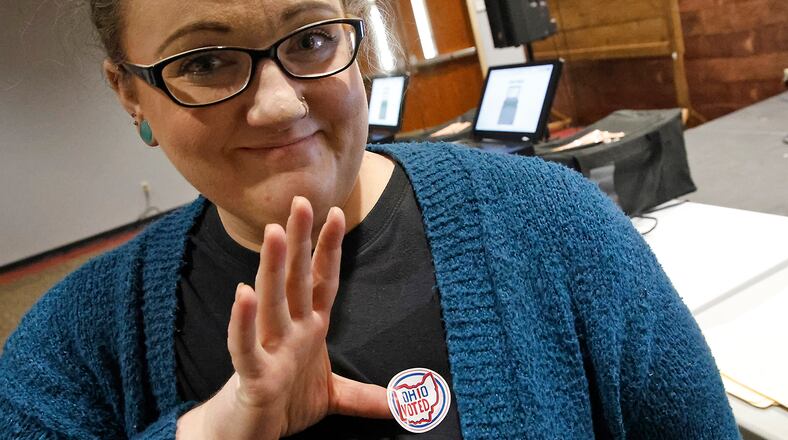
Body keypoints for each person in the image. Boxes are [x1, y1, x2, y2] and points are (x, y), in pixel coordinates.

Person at [0, 0, 740, 438]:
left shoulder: (553, 226)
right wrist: (209, 431)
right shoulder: (79, 339)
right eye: (204, 63)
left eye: (312, 40)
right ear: (129, 93)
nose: (282, 103)